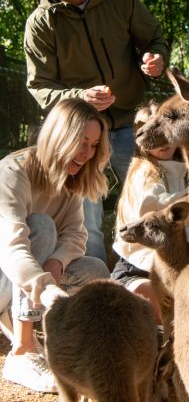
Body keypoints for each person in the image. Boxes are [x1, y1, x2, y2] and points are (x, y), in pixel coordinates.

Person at [24, 0, 169, 263]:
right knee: (85, 221)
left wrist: (156, 59)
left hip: (134, 122)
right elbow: (40, 86)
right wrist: (80, 98)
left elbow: (155, 39)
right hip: (81, 137)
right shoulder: (40, 25)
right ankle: (94, 288)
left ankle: (154, 275)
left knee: (152, 197)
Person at [0, 98, 110, 393]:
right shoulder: (12, 172)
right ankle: (22, 351)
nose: (87, 154)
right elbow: (11, 248)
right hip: (5, 276)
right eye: (81, 142)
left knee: (95, 270)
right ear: (60, 136)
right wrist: (44, 284)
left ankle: (76, 345)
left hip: (26, 283)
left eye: (94, 145)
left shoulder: (70, 179)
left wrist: (56, 263)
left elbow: (76, 235)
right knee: (41, 226)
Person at [112, 103, 189, 323]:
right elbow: (154, 211)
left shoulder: (183, 169)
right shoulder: (144, 171)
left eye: (165, 133)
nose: (161, 142)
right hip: (140, 267)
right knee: (165, 309)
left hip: (175, 263)